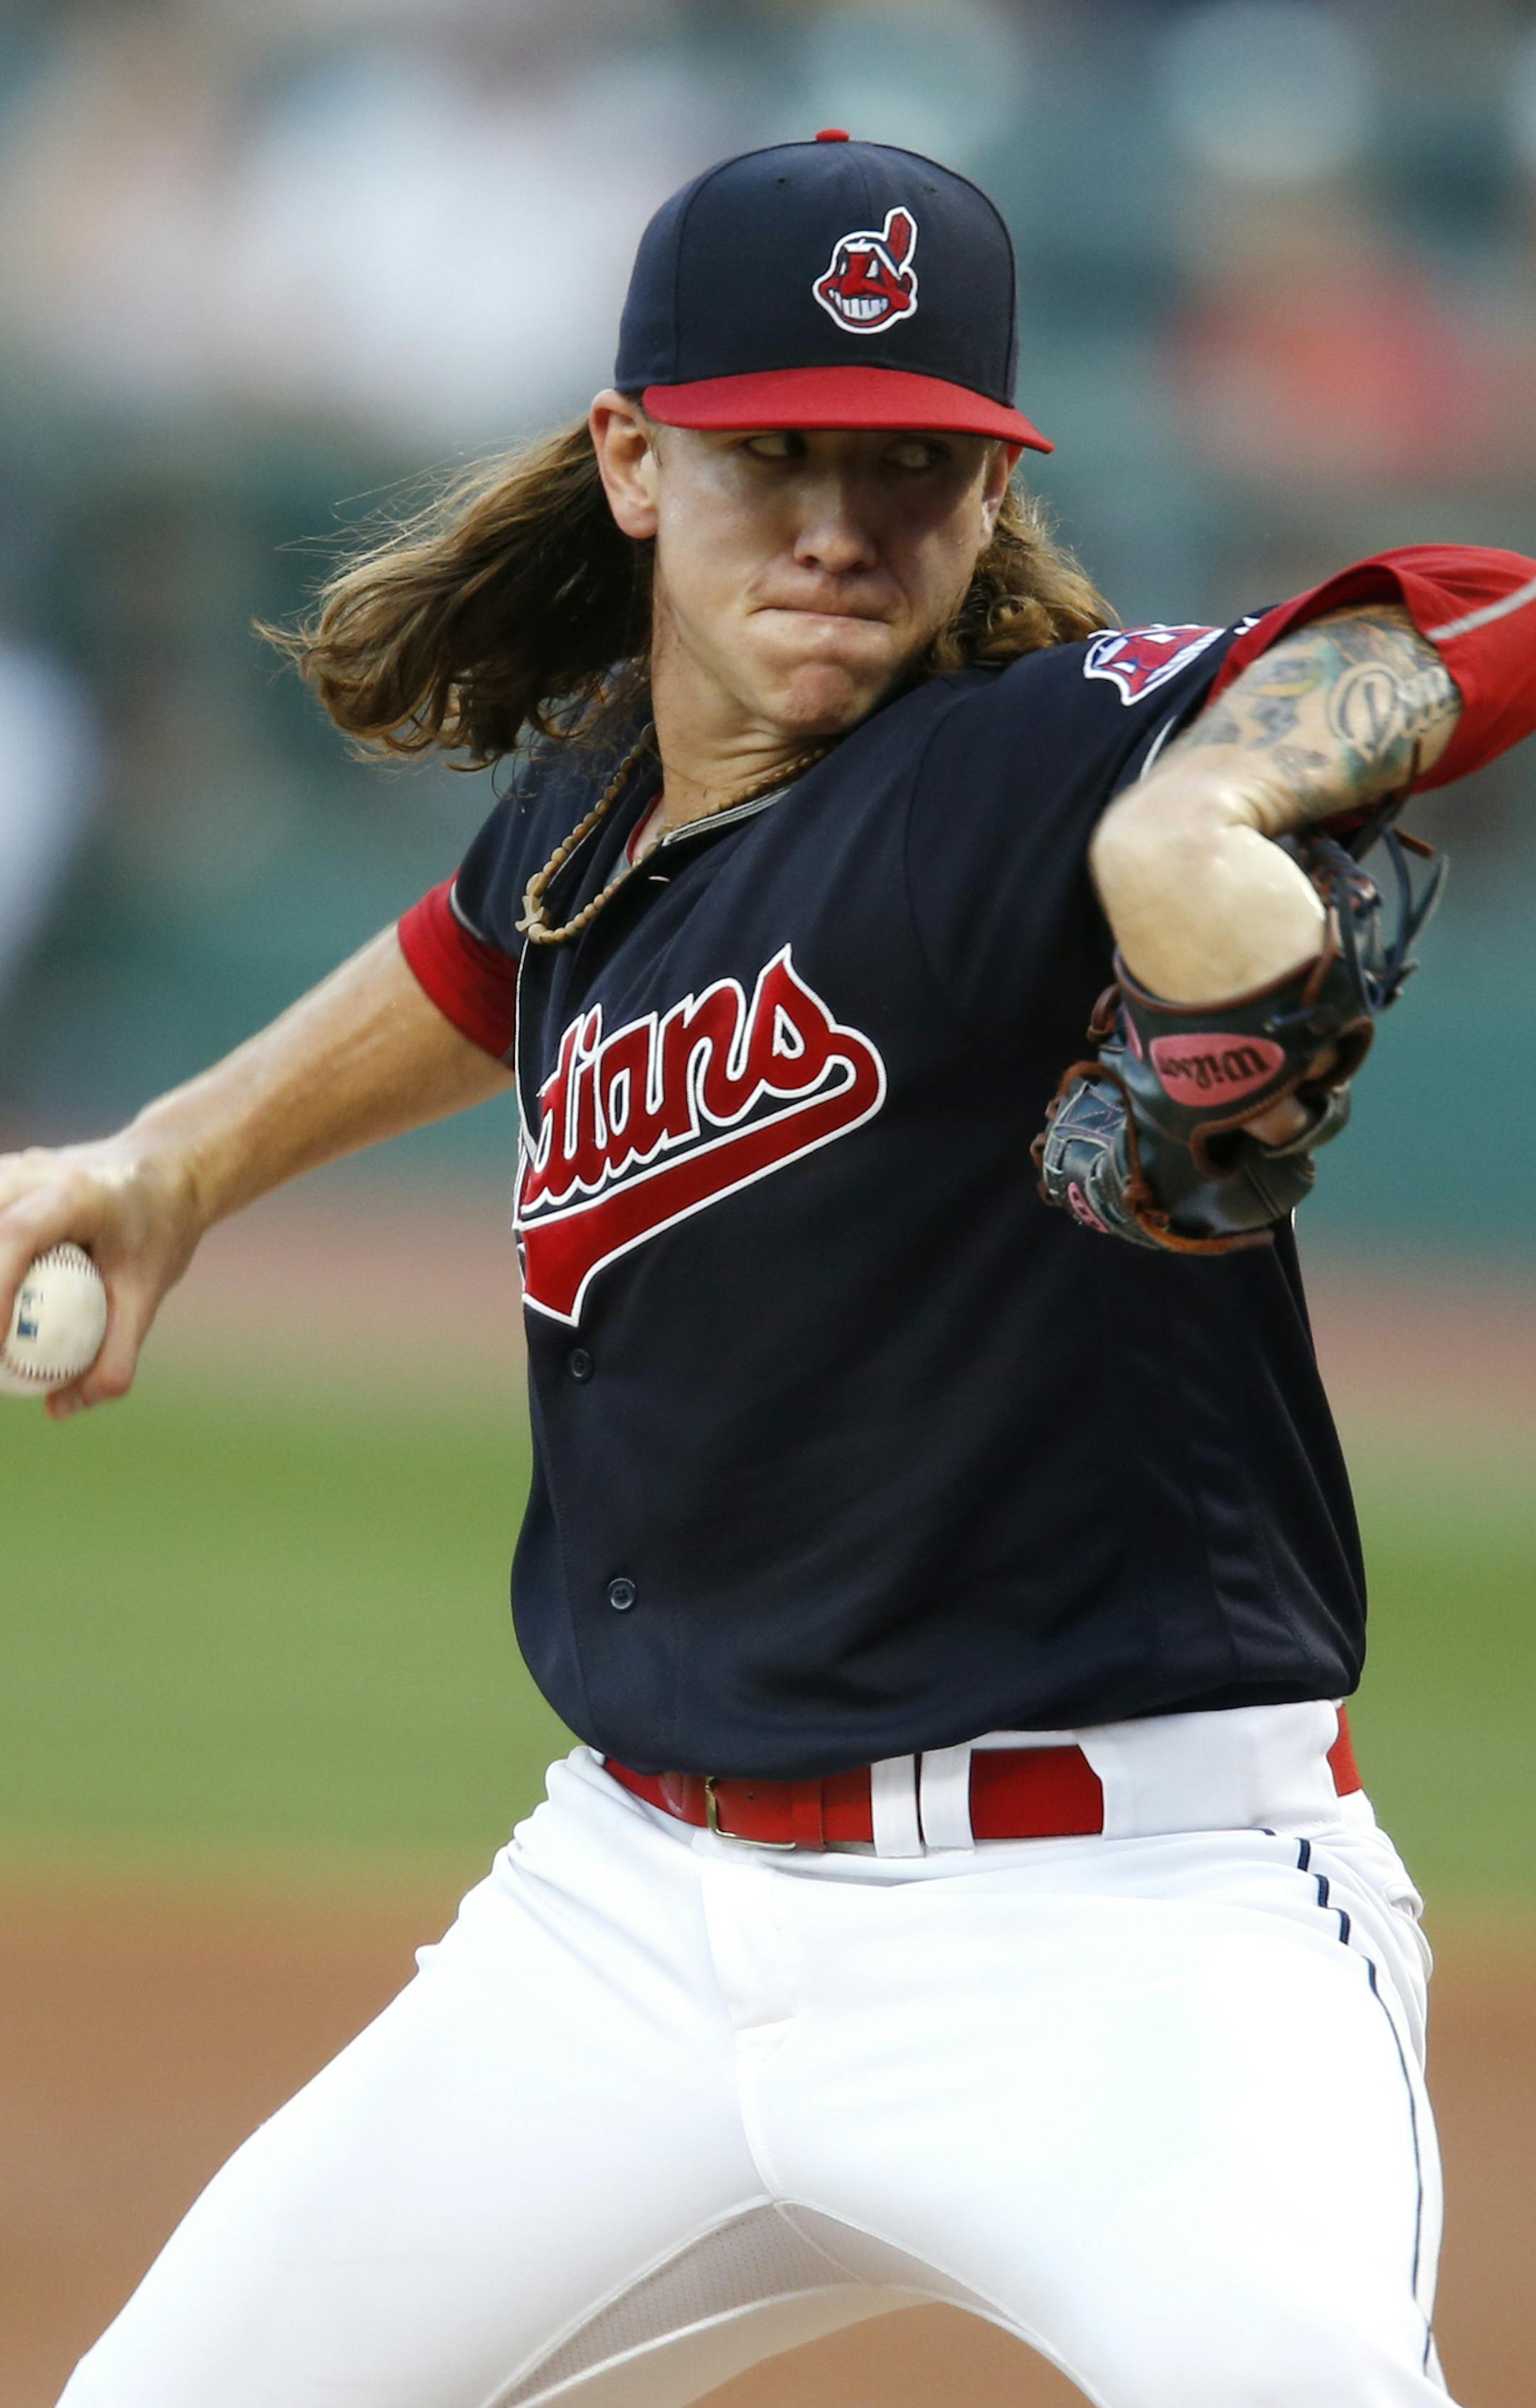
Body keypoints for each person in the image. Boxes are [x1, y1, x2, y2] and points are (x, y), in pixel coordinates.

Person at [9, 133, 1536, 2408]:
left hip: (1128, 1934)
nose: (840, 519)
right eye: (772, 450)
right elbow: (466, 967)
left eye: (915, 464)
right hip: (624, 1920)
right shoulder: (596, 815)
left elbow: (1485, 611)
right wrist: (175, 1163)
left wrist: (1206, 809)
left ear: (992, 501)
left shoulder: (1044, 754)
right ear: (637, 460)